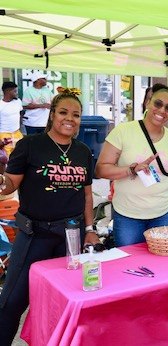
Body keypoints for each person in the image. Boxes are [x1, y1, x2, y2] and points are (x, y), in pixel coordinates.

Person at [0, 88, 99, 345]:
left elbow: (87, 196)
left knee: (63, 302)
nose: (70, 118)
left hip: (71, 237)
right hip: (35, 235)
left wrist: (90, 228)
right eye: (63, 112)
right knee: (12, 301)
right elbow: (10, 185)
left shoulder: (83, 151)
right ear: (52, 114)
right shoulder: (30, 145)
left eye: (76, 114)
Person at [95, 84, 168, 246]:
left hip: (164, 212)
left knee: (162, 264)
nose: (162, 111)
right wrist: (131, 170)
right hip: (128, 214)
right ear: (148, 102)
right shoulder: (123, 132)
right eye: (158, 104)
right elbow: (100, 169)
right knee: (129, 264)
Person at [0, 82, 23, 157]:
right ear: (8, 91)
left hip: (17, 133)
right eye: (15, 91)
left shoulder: (18, 102)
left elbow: (20, 115)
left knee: (19, 157)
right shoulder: (1, 105)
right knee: (6, 159)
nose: (17, 93)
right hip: (4, 135)